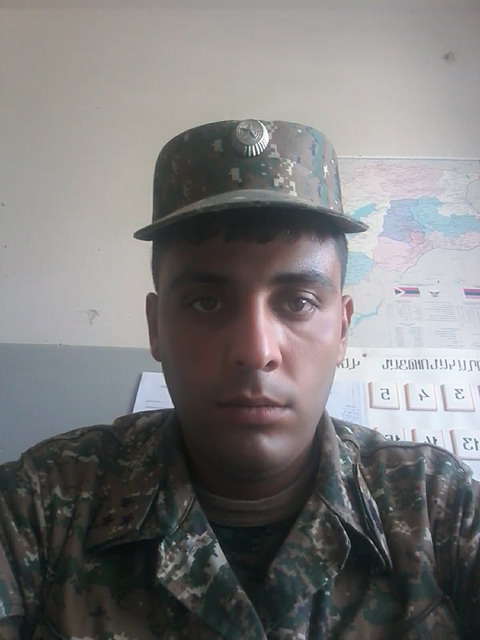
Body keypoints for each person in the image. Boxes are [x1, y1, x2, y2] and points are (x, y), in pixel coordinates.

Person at [0, 119, 479, 640]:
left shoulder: (438, 506)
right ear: (156, 328)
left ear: (342, 329)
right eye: (207, 302)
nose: (256, 352)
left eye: (298, 302)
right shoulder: (39, 505)